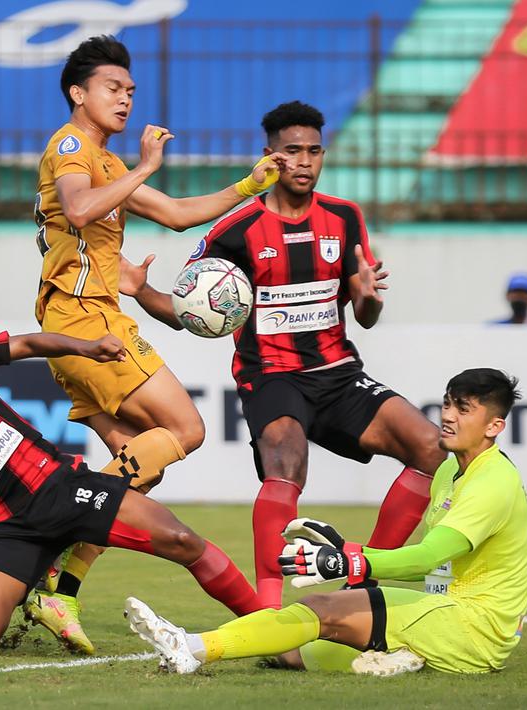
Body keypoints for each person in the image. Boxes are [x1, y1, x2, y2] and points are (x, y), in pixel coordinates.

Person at [122, 101, 447, 609]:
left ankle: (362, 586)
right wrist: (143, 292)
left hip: (339, 374)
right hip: (271, 376)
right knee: (287, 464)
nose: (304, 161)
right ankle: (270, 611)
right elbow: (189, 312)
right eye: (292, 151)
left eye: (314, 151)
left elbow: (365, 316)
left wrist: (368, 296)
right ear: (269, 156)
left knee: (430, 447)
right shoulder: (235, 231)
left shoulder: (344, 217)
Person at [28, 34, 286, 650]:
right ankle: (53, 530)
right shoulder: (71, 146)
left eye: (130, 90)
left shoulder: (106, 163)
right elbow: (79, 209)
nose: (125, 99)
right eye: (112, 88)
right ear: (78, 93)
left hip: (85, 318)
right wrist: (145, 166)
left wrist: (248, 186)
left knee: (138, 472)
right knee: (186, 429)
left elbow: (173, 213)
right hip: (85, 319)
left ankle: (57, 590)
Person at [0, 328, 264, 656]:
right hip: (3, 532)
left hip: (60, 487)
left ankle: (267, 628)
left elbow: (26, 345)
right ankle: (40, 583)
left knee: (183, 540)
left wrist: (86, 348)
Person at [126, 368, 527, 677]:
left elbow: (428, 557)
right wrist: (346, 551)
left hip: (472, 626)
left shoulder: (492, 482)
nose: (448, 416)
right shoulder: (449, 470)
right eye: (447, 404)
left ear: (494, 426)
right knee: (287, 653)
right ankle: (403, 657)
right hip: (443, 611)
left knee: (319, 610)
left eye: (463, 409)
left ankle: (189, 646)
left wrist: (348, 562)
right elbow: (434, 566)